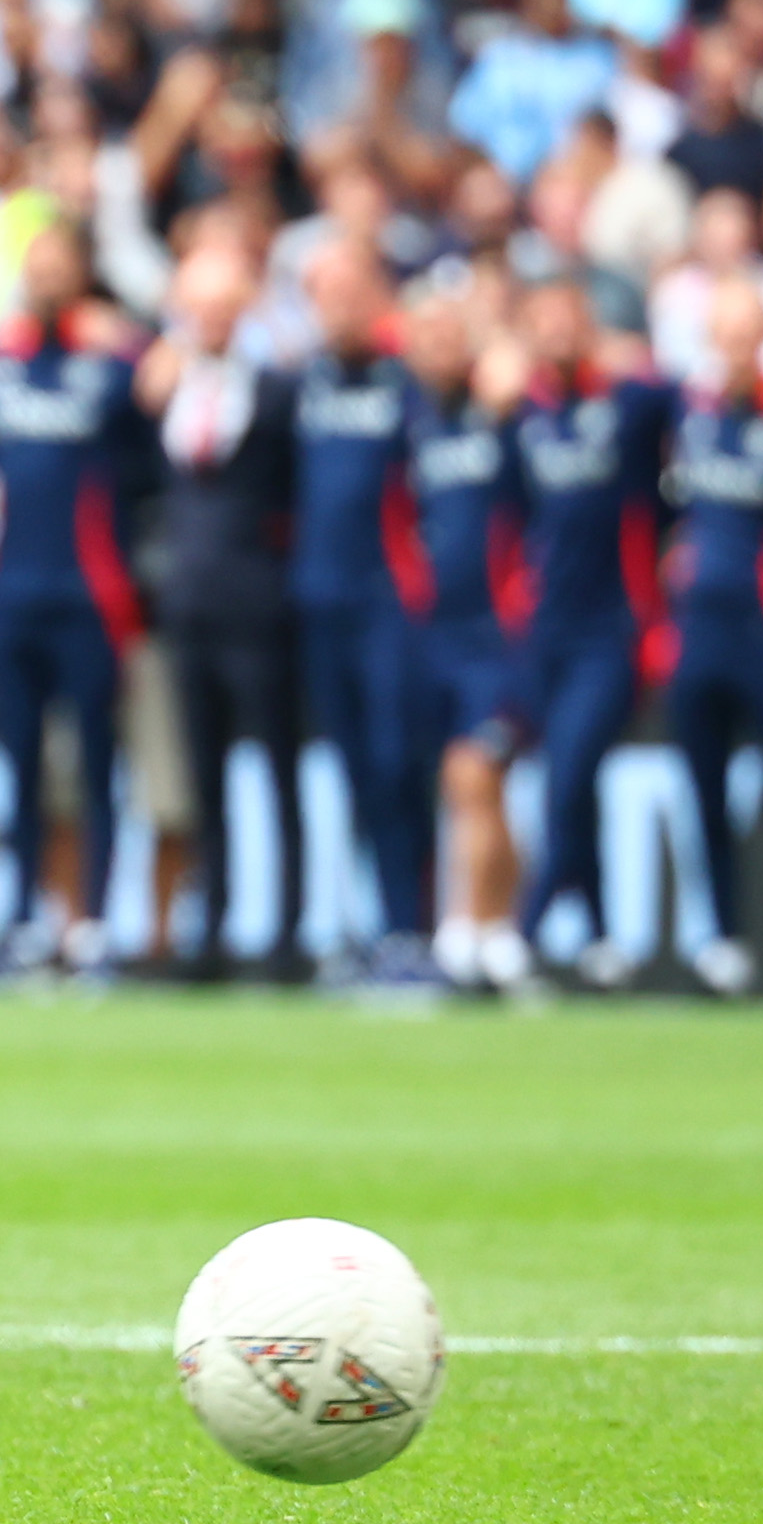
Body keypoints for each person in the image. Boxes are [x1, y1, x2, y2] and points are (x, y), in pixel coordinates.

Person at [492, 275, 678, 989]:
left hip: (611, 627)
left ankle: (525, 929)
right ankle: (599, 934)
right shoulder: (521, 419)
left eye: (569, 321)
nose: (558, 335)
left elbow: (684, 401)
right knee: (574, 781)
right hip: (546, 628)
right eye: (543, 323)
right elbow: (510, 525)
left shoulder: (629, 404)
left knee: (566, 774)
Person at [0, 222, 146, 973]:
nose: (43, 278)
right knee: (17, 765)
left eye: (57, 265)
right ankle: (21, 919)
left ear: (81, 275)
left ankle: (96, 922)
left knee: (97, 764)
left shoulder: (108, 370)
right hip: (9, 592)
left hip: (87, 593)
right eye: (33, 265)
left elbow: (147, 462)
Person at [138, 238, 306, 983]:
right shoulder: (165, 389)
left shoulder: (274, 389)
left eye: (221, 304)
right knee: (201, 773)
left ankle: (289, 928)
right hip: (189, 602)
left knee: (277, 766)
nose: (208, 318)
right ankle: (208, 925)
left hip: (256, 597)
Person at [290, 241, 436, 980]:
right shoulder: (300, 382)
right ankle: (363, 928)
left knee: (393, 762)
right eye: (326, 293)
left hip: (386, 601)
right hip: (320, 600)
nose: (339, 308)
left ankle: (409, 929)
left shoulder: (404, 382)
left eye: (353, 292)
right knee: (347, 769)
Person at [398, 288, 534, 995]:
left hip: (495, 634)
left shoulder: (505, 419)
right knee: (481, 795)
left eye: (452, 337)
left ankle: (459, 931)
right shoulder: (410, 423)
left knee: (472, 778)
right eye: (428, 338)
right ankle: (500, 932)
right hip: (431, 635)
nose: (439, 350)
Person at [661, 277, 763, 997]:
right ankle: (721, 942)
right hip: (698, 630)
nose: (736, 349)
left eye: (748, 335)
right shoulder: (684, 410)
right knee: (702, 788)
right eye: (725, 335)